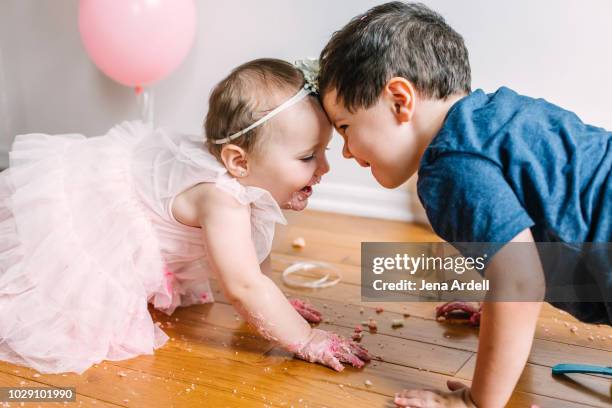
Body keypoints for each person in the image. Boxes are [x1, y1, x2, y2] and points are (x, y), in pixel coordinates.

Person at [317, 2, 611, 407]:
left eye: (345, 128)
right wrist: (497, 305)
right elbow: (545, 227)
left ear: (400, 101)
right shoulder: (491, 119)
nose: (347, 152)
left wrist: (476, 400)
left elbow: (520, 282)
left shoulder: (450, 166)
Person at [0, 58, 370, 375]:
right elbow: (243, 286)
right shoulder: (223, 198)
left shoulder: (248, 177)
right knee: (63, 305)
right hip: (97, 216)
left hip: (141, 187)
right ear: (238, 162)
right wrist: (303, 339)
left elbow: (254, 254)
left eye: (323, 151)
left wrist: (275, 307)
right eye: (308, 156)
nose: (324, 167)